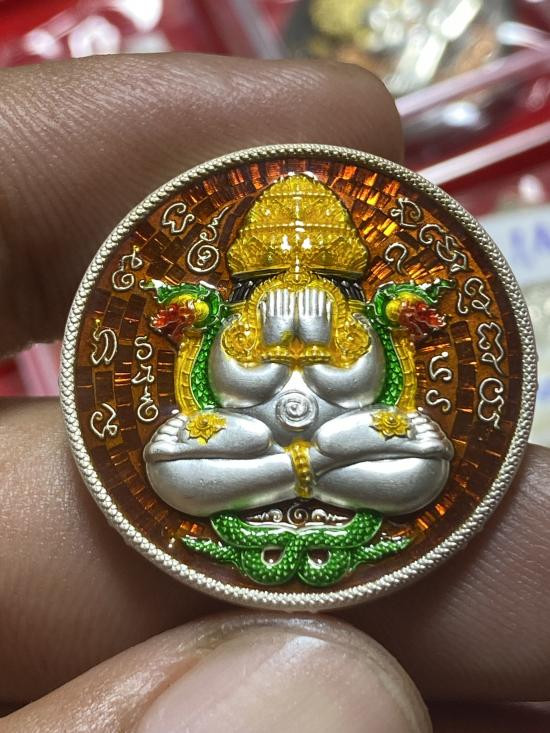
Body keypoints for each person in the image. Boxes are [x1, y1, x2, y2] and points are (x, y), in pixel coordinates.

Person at [0, 53, 547, 733]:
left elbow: (369, 392)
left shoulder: (358, 322)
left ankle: (293, 472)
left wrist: (331, 357)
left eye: (312, 269)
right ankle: (295, 474)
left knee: (424, 455)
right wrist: (255, 358)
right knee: (168, 458)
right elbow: (224, 393)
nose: (294, 274)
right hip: (253, 440)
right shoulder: (235, 323)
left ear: (343, 279)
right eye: (276, 271)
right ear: (249, 280)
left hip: (342, 440)